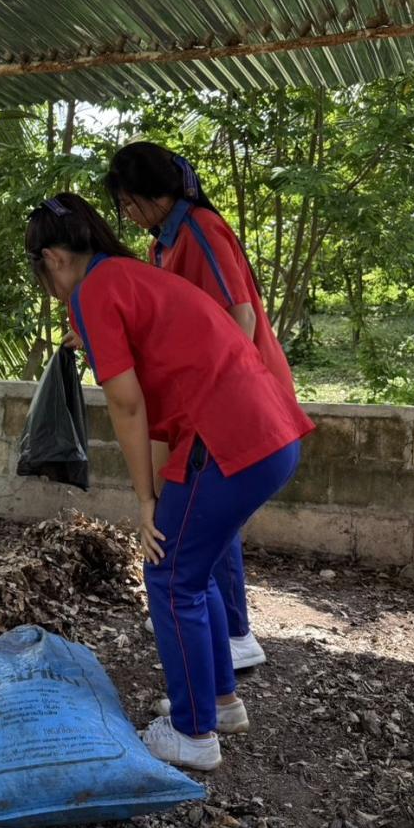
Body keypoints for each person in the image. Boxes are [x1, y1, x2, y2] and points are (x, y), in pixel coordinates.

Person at [26, 194, 312, 771]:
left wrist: (146, 501)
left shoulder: (93, 293)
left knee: (169, 573)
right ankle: (220, 702)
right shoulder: (128, 276)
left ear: (54, 258)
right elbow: (156, 406)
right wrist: (158, 495)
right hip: (270, 434)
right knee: (193, 566)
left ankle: (192, 734)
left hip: (229, 439)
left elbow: (128, 408)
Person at [102, 141, 297, 675]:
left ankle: (233, 632)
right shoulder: (163, 243)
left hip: (233, 398)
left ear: (149, 196)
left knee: (206, 521)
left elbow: (241, 319)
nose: (125, 214)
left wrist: (212, 402)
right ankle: (214, 627)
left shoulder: (201, 230)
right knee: (205, 516)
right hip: (207, 400)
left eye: (125, 202)